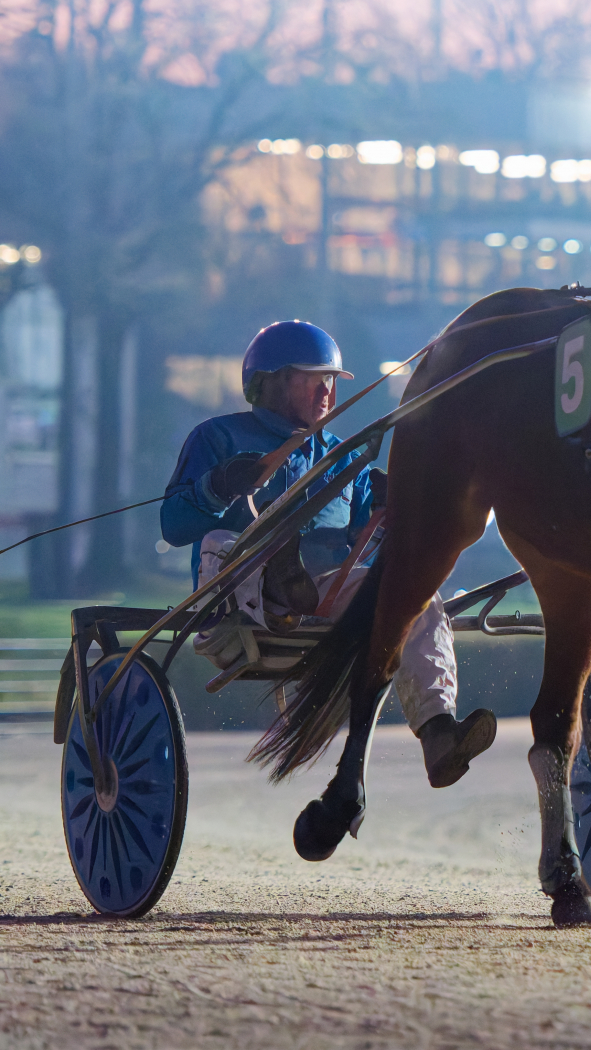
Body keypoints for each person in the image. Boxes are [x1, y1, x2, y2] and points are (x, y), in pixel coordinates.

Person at [161, 319, 495, 787]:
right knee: (227, 541)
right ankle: (279, 574)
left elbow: (367, 545)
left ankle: (439, 732)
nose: (327, 392)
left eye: (332, 380)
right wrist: (217, 485)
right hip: (236, 600)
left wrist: (391, 511)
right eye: (314, 379)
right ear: (272, 381)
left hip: (323, 594)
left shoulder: (345, 455)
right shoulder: (217, 437)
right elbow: (174, 525)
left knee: (416, 595)